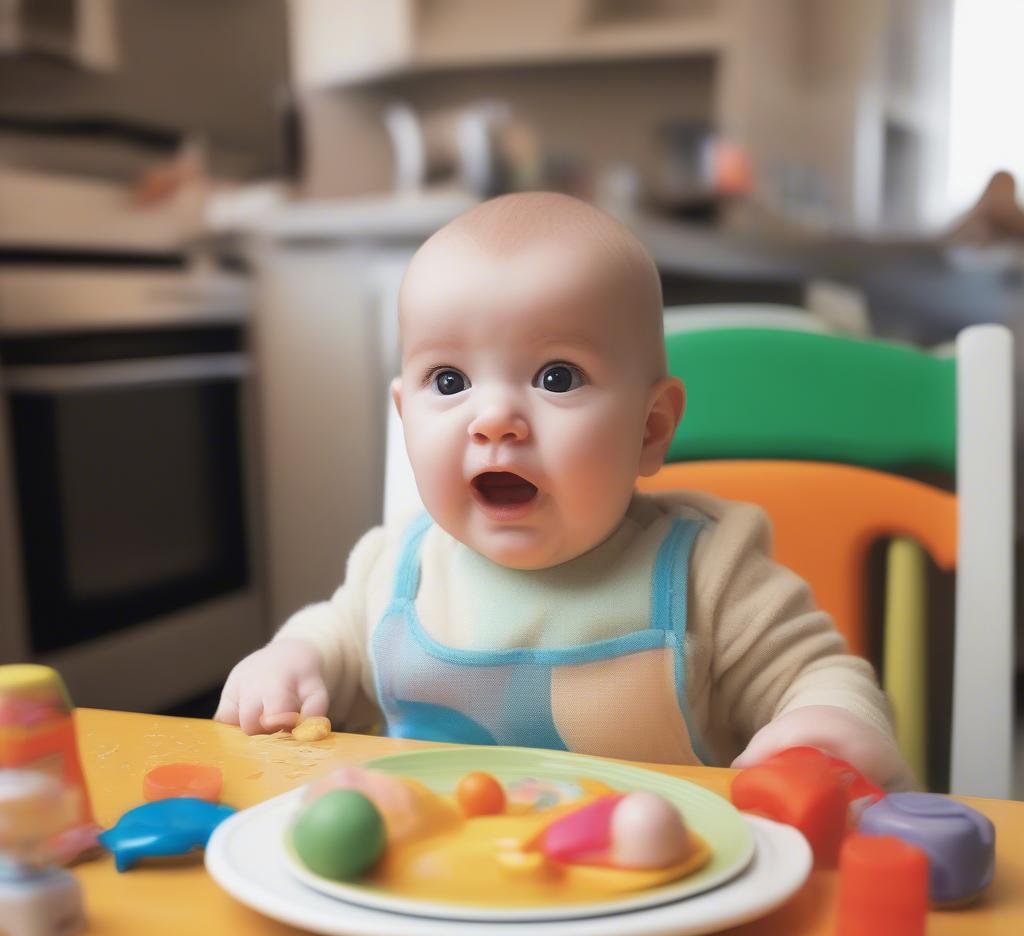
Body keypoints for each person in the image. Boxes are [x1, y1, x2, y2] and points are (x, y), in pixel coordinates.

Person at [215, 192, 911, 788]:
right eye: (450, 382)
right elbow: (336, 640)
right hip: (437, 901)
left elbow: (815, 675)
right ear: (406, 417)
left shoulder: (708, 577)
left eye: (557, 378)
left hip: (655, 903)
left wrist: (823, 726)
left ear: (650, 429)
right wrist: (290, 663)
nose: (492, 420)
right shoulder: (397, 571)